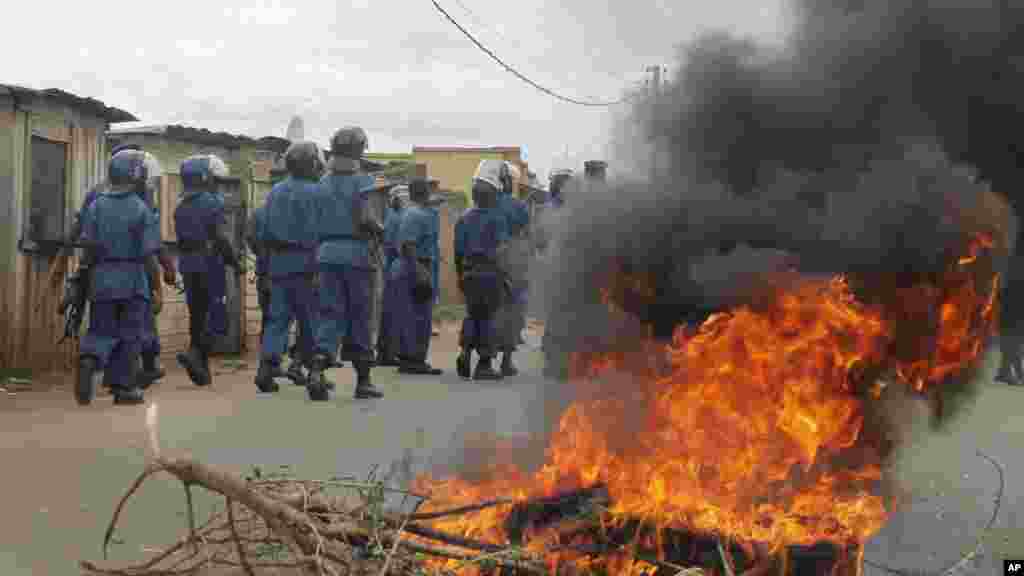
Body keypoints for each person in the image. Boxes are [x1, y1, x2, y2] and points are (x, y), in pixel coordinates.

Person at [77, 150, 168, 405]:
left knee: (100, 329)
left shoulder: (96, 206)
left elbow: (87, 247)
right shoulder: (140, 208)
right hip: (132, 281)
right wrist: (156, 287)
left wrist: (85, 276)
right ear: (135, 175)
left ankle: (89, 358)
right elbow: (149, 255)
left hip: (100, 279)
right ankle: (124, 388)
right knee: (130, 335)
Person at [306, 127, 385, 401]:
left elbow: (313, 225)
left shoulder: (321, 183)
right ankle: (363, 381)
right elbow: (368, 219)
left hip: (326, 255)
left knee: (330, 313)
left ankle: (317, 368)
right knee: (361, 316)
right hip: (358, 256)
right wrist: (381, 231)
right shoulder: (364, 181)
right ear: (358, 150)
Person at [253, 141, 323, 393]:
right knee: (311, 320)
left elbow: (264, 233)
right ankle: (315, 374)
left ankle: (265, 369)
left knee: (277, 320)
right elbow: (320, 231)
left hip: (279, 265)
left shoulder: (276, 191)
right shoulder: (317, 192)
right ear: (312, 163)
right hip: (308, 263)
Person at [173, 154, 244, 386]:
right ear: (206, 178)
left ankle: (201, 370)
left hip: (187, 264)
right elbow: (221, 238)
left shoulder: (181, 204)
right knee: (214, 315)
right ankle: (194, 353)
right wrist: (234, 262)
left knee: (197, 314)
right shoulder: (212, 203)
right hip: (208, 264)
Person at [454, 162, 508, 380]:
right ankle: (484, 365)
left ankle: (465, 353)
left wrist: (460, 276)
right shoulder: (497, 218)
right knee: (488, 318)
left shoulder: (464, 217)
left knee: (472, 314)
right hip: (490, 274)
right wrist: (505, 276)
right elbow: (502, 251)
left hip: (469, 273)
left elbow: (458, 253)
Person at [395, 177, 444, 375]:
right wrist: (420, 271)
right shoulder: (415, 215)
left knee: (414, 314)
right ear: (424, 192)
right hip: (416, 266)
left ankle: (410, 358)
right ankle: (413, 359)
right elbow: (409, 245)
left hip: (418, 265)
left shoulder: (418, 212)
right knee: (418, 315)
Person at [493, 161, 531, 376]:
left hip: (490, 262)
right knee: (512, 310)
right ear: (507, 182)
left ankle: (483, 359)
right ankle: (506, 361)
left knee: (490, 310)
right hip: (512, 263)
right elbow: (526, 232)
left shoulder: (485, 203)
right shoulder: (518, 206)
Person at [377, 188, 407, 366]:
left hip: (391, 267)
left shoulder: (393, 216)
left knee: (389, 311)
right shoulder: (396, 217)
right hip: (396, 266)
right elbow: (397, 246)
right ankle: (388, 352)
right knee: (394, 312)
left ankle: (386, 352)